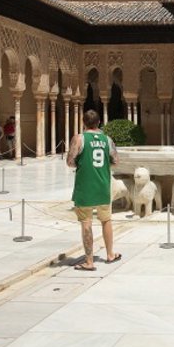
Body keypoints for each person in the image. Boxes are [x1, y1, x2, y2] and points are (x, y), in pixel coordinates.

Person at [67, 109, 121, 271]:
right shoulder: (107, 139)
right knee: (106, 220)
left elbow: (70, 162)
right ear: (99, 123)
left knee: (86, 222)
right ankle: (110, 254)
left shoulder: (79, 139)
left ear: (84, 123)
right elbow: (116, 161)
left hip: (85, 187)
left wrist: (83, 165)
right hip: (103, 186)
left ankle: (89, 261)